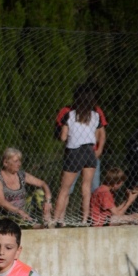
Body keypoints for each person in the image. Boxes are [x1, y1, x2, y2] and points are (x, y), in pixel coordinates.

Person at [52, 84, 104, 228]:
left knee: (64, 188)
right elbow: (98, 135)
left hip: (74, 152)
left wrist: (65, 133)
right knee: (86, 187)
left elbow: (63, 137)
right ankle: (85, 219)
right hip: (90, 152)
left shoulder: (70, 115)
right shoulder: (96, 115)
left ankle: (55, 219)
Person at [0, 148, 51, 226]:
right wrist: (18, 211)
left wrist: (47, 201)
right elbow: (1, 201)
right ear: (5, 163)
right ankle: (34, 225)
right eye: (15, 161)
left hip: (24, 210)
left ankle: (47, 224)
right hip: (8, 214)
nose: (19, 164)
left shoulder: (22, 175)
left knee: (39, 193)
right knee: (26, 221)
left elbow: (43, 184)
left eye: (19, 161)